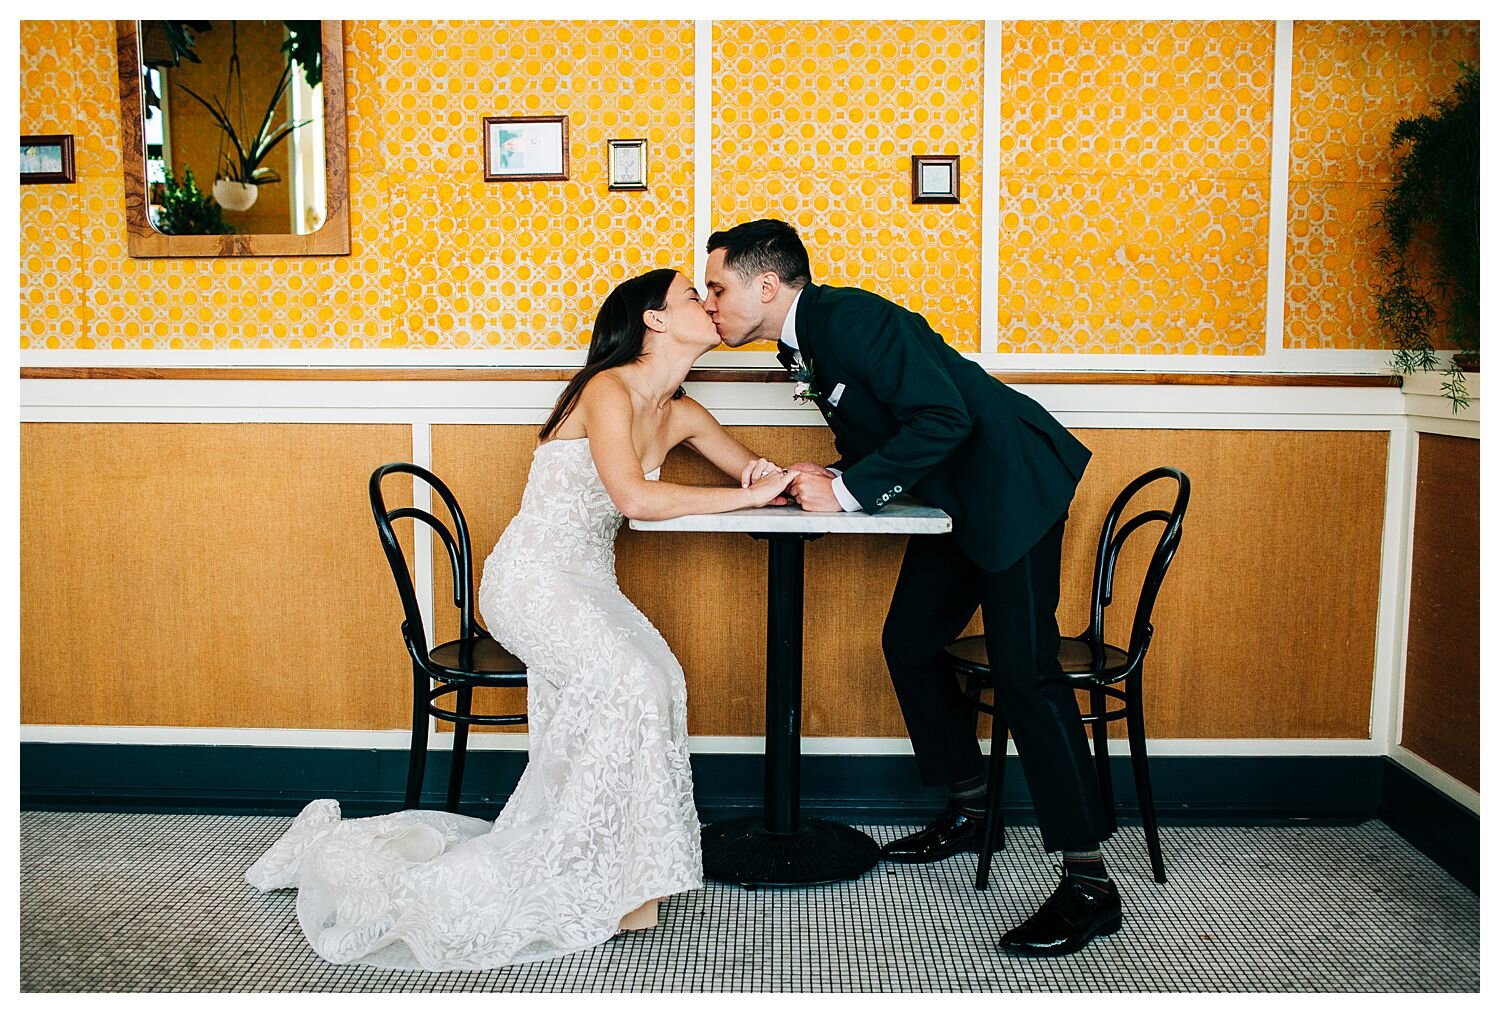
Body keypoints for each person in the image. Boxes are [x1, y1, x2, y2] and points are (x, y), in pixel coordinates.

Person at [246, 268, 795, 971]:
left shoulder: (681, 411)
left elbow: (753, 470)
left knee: (657, 676)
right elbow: (632, 498)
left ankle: (625, 879)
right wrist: (750, 501)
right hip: (529, 581)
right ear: (654, 321)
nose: (711, 304)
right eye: (695, 295)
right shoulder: (606, 387)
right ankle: (584, 872)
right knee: (631, 679)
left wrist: (769, 479)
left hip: (589, 581)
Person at [703, 219, 1119, 957]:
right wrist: (836, 474)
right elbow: (882, 423)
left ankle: (1089, 882)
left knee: (1027, 673)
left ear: (766, 286)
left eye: (717, 287)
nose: (710, 303)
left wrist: (853, 491)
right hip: (956, 499)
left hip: (1012, 487)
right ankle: (970, 807)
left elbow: (946, 415)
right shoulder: (803, 340)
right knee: (910, 642)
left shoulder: (850, 316)